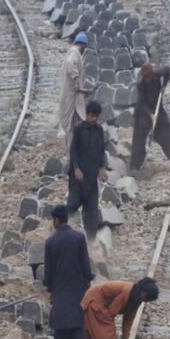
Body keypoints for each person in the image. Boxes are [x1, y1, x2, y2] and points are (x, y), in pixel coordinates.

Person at [43, 205, 94, 339]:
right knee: (80, 324)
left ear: (56, 220)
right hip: (79, 290)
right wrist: (88, 281)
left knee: (63, 327)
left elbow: (48, 270)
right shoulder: (78, 237)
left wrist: (49, 288)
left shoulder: (50, 241)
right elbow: (85, 264)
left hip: (60, 292)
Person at [81, 278, 159, 339]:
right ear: (144, 293)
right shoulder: (126, 292)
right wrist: (113, 331)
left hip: (99, 304)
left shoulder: (137, 298)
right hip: (95, 301)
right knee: (106, 336)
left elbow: (129, 319)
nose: (145, 301)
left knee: (99, 337)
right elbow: (112, 312)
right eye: (147, 299)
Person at [67, 100, 107, 240]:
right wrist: (76, 168)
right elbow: (73, 150)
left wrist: (102, 168)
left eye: (96, 116)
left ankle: (91, 241)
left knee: (92, 211)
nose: (94, 119)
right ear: (86, 114)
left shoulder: (99, 130)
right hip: (78, 177)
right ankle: (62, 231)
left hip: (91, 177)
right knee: (72, 204)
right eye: (91, 116)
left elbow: (101, 151)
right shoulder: (79, 129)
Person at [129, 63, 170, 171]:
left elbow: (167, 69)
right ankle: (135, 166)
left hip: (157, 108)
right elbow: (141, 103)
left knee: (165, 129)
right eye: (145, 78)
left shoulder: (157, 73)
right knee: (139, 139)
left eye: (148, 77)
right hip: (143, 113)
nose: (147, 80)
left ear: (152, 75)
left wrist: (164, 85)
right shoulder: (140, 85)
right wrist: (151, 115)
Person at [57, 32, 90, 151]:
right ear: (83, 45)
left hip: (71, 95)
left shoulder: (70, 51)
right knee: (71, 126)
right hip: (71, 96)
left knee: (73, 125)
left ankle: (73, 152)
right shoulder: (75, 52)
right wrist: (76, 79)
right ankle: (73, 154)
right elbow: (70, 63)